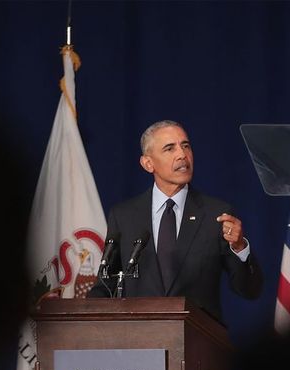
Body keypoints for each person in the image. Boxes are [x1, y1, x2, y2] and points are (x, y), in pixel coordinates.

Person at [91, 120, 262, 321]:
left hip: (199, 342)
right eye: (169, 148)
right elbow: (105, 287)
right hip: (139, 342)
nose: (182, 155)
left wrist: (240, 247)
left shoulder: (216, 214)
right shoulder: (124, 216)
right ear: (148, 163)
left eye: (186, 146)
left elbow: (249, 290)